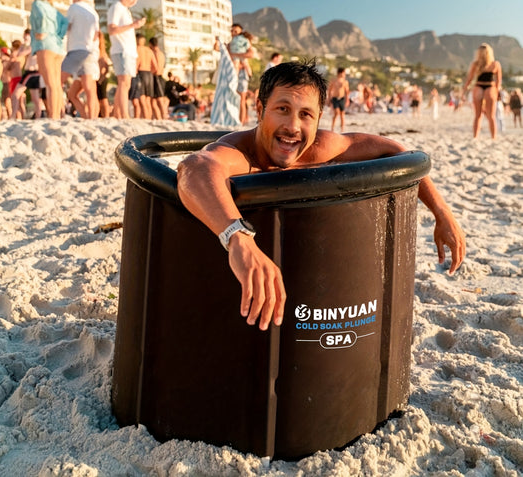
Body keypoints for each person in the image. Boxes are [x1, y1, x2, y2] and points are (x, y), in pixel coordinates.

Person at [177, 61, 466, 331]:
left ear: (317, 120)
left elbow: (397, 152)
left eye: (306, 115)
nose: (292, 127)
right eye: (282, 109)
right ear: (260, 108)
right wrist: (238, 238)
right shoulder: (241, 154)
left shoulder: (322, 148)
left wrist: (441, 212)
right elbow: (195, 167)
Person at [29, 0, 67, 119]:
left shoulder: (37, 4)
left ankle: (53, 116)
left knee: (49, 83)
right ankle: (56, 114)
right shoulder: (52, 7)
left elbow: (41, 16)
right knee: (56, 84)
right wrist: (59, 35)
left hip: (44, 45)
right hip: (57, 46)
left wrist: (42, 31)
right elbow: (65, 22)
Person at [61, 0, 100, 119]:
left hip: (76, 49)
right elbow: (96, 34)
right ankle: (90, 118)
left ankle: (56, 113)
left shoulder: (74, 7)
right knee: (89, 89)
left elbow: (68, 26)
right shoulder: (93, 12)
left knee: (57, 81)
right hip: (89, 50)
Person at [107, 0, 146, 119]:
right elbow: (112, 29)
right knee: (124, 83)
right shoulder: (117, 7)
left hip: (128, 51)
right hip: (121, 49)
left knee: (125, 83)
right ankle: (123, 115)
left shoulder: (125, 10)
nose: (133, 2)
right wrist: (133, 25)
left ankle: (118, 114)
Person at [215, 23, 255, 125]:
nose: (233, 33)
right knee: (232, 97)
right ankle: (234, 120)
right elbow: (216, 48)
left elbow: (251, 54)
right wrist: (216, 41)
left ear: (240, 32)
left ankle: (241, 123)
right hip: (232, 72)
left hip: (241, 72)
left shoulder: (244, 42)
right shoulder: (229, 44)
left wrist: (234, 55)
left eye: (235, 31)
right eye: (232, 31)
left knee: (241, 98)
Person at [462, 43, 502, 139]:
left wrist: (464, 91)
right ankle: (493, 137)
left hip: (478, 86)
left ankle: (475, 137)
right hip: (490, 87)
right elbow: (498, 81)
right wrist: (497, 92)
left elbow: (469, 79)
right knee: (491, 116)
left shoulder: (476, 64)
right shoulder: (495, 64)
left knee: (477, 115)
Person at [135, 33, 158, 119]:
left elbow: (137, 63)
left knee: (142, 100)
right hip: (149, 74)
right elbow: (155, 67)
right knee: (148, 100)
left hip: (141, 73)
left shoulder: (137, 49)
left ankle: (146, 118)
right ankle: (149, 118)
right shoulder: (149, 50)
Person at [149, 37, 167, 119]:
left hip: (156, 77)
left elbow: (155, 68)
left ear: (150, 44)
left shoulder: (154, 53)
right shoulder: (161, 53)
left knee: (159, 100)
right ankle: (160, 117)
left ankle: (162, 117)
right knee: (156, 100)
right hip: (161, 77)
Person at [327, 67, 349, 132]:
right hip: (335, 98)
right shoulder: (334, 80)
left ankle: (342, 129)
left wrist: (347, 100)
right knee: (336, 113)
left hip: (342, 98)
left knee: (342, 114)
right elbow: (329, 90)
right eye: (344, 73)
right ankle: (332, 127)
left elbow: (347, 92)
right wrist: (329, 99)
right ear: (340, 73)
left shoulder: (345, 81)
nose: (344, 74)